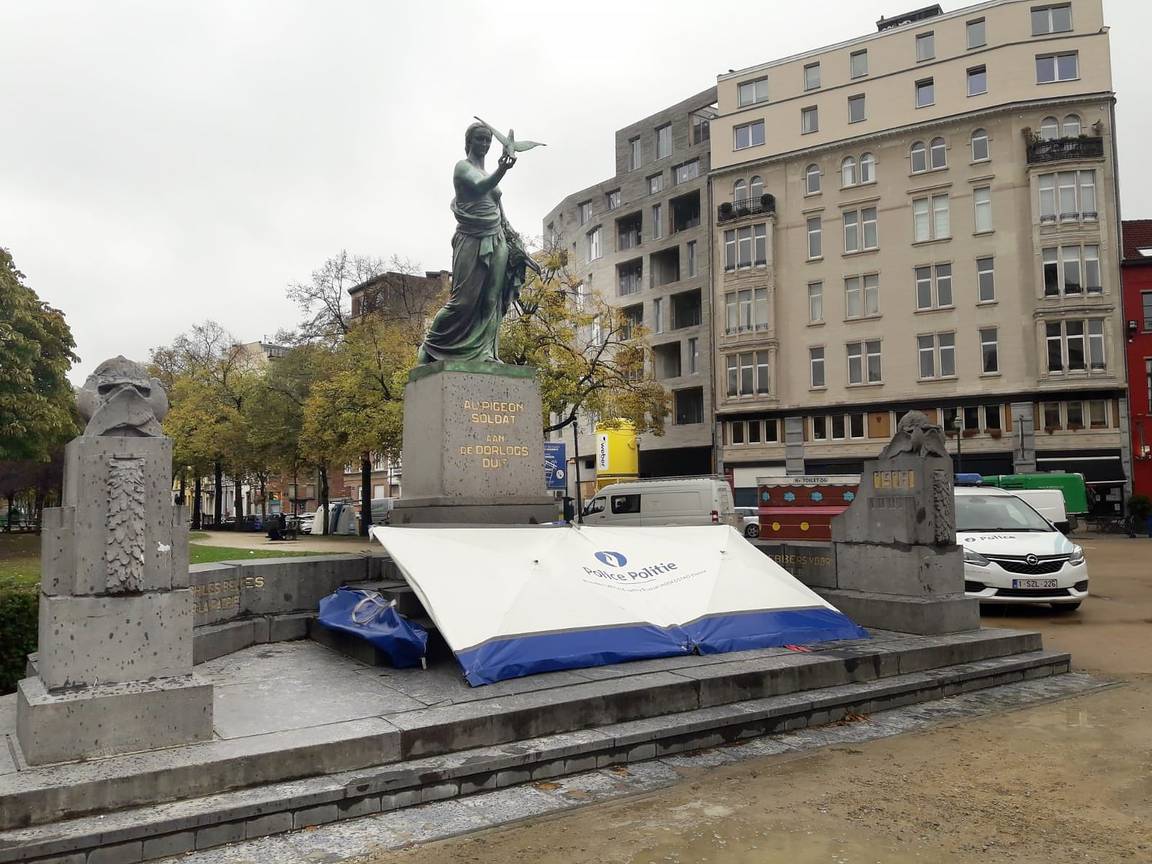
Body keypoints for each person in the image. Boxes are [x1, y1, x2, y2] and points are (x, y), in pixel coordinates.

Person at [417, 121, 538, 364]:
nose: (484, 144)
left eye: (488, 140)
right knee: (462, 301)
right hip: (471, 238)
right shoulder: (462, 168)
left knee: (491, 300)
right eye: (480, 139)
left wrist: (519, 246)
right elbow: (481, 186)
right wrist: (502, 170)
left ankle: (486, 354)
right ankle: (429, 348)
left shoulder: (488, 174)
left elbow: (501, 214)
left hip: (497, 237)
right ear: (469, 142)